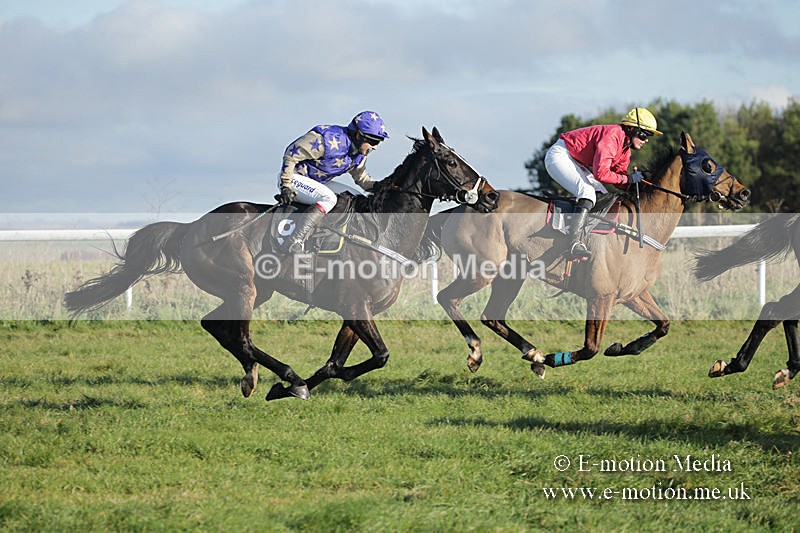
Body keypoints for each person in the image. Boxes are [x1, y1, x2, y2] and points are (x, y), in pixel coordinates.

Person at [544, 106, 662, 260]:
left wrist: (636, 185)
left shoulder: (625, 150)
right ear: (632, 129)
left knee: (602, 195)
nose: (646, 140)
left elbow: (619, 178)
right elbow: (601, 174)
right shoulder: (613, 135)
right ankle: (573, 243)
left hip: (575, 160)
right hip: (560, 156)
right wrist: (628, 179)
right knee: (587, 192)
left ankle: (585, 237)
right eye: (644, 135)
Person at [277, 111, 389, 253]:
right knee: (329, 198)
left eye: (378, 142)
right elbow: (291, 154)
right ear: (359, 135)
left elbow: (362, 179)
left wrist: (382, 187)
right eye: (373, 142)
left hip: (316, 182)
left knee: (356, 197)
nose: (375, 147)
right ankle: (295, 240)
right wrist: (286, 185)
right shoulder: (325, 140)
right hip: (293, 178)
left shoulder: (359, 154)